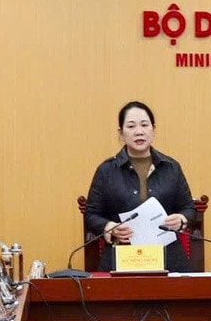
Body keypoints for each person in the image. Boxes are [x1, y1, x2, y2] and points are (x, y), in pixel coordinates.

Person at [83, 101, 197, 272]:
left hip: (167, 257)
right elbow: (91, 214)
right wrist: (109, 227)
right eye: (131, 126)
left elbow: (189, 208)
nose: (139, 131)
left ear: (153, 129)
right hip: (122, 256)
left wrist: (181, 219)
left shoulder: (171, 168)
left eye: (144, 125)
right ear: (121, 133)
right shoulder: (106, 171)